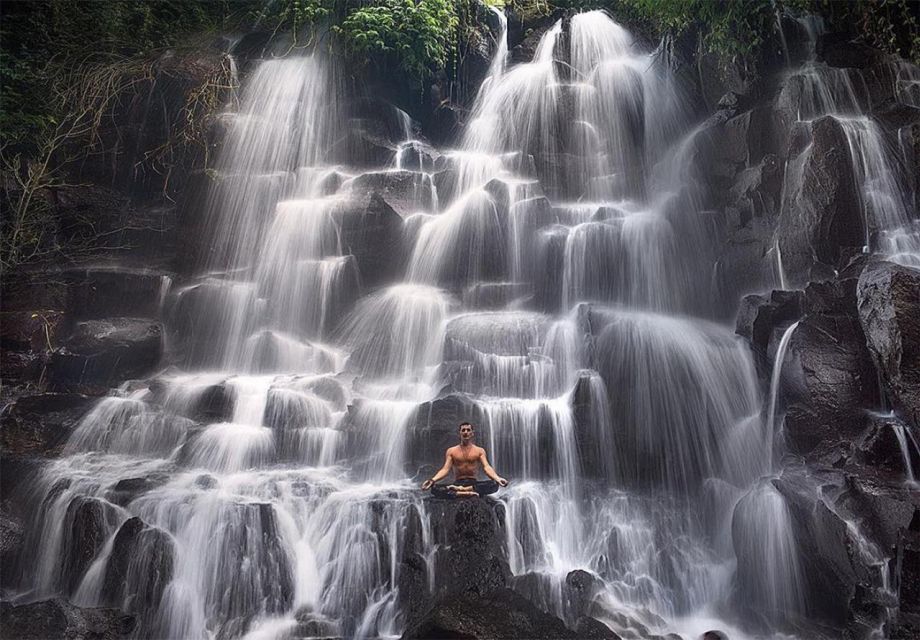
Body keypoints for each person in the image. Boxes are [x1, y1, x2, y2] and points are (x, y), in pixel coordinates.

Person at [421, 422, 508, 498]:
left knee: (494, 484)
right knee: (434, 489)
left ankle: (461, 491)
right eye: (463, 430)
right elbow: (445, 469)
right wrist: (432, 480)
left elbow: (487, 467)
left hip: (473, 483)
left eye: (468, 430)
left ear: (472, 433)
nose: (466, 432)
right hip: (458, 482)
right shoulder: (451, 451)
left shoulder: (479, 451)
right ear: (460, 433)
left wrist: (498, 478)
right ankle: (464, 493)